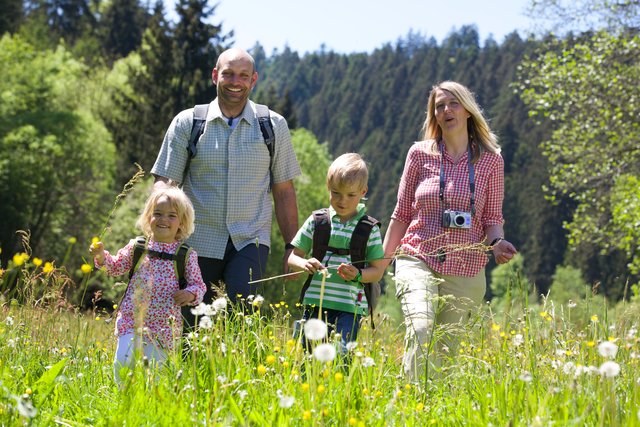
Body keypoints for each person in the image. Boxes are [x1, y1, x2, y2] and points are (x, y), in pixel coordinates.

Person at [151, 48, 301, 326]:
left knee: (242, 322)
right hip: (196, 240)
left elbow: (284, 191)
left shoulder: (273, 125)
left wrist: (292, 247)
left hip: (250, 240)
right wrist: (159, 234)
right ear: (215, 76)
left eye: (243, 76)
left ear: (253, 79)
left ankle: (237, 370)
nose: (236, 81)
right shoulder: (188, 122)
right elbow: (165, 183)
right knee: (191, 327)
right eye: (228, 74)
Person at [382, 81, 517, 382]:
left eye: (453, 103)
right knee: (420, 329)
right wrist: (380, 261)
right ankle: (409, 405)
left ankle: (432, 412)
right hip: (417, 255)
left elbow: (492, 217)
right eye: (439, 106)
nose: (446, 110)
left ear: (468, 110)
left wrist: (497, 243)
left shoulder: (491, 160)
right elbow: (402, 213)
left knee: (445, 352)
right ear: (434, 116)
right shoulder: (419, 153)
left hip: (467, 268)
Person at [89, 187, 206, 383]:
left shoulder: (185, 255)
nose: (163, 220)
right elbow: (116, 266)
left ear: (182, 222)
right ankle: (124, 401)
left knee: (156, 375)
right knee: (124, 363)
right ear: (148, 217)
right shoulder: (138, 247)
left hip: (164, 328)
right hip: (131, 321)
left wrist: (189, 294)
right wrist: (101, 257)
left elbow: (199, 286)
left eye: (171, 215)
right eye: (157, 214)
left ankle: (149, 407)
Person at [288, 153, 386, 353]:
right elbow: (292, 257)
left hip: (350, 308)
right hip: (315, 303)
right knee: (310, 357)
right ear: (328, 188)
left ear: (363, 192)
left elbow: (377, 271)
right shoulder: (318, 221)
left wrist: (358, 274)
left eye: (351, 195)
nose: (343, 201)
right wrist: (304, 263)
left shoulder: (369, 228)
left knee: (342, 356)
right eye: (336, 193)